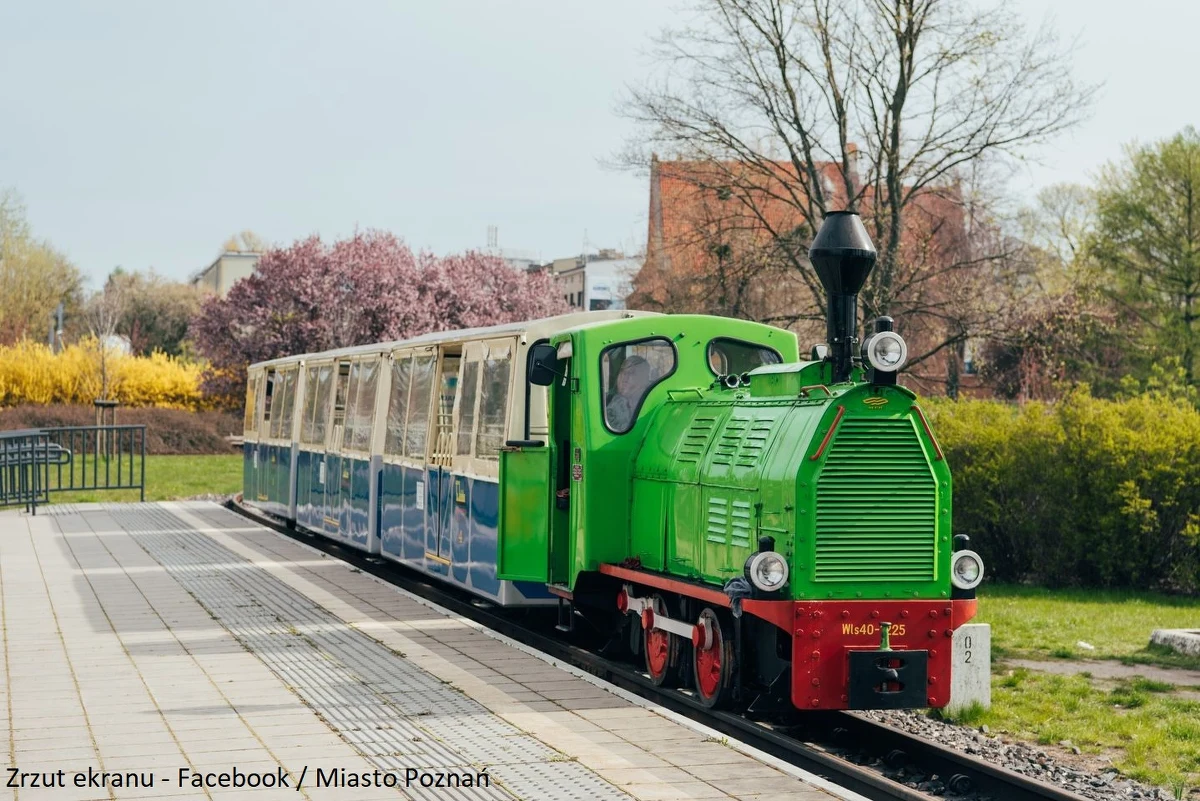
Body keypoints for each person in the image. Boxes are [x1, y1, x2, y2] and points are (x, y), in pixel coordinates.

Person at [605, 355, 652, 432]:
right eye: (622, 371)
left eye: (631, 373)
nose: (624, 377)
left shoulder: (651, 406)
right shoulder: (606, 401)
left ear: (644, 380)